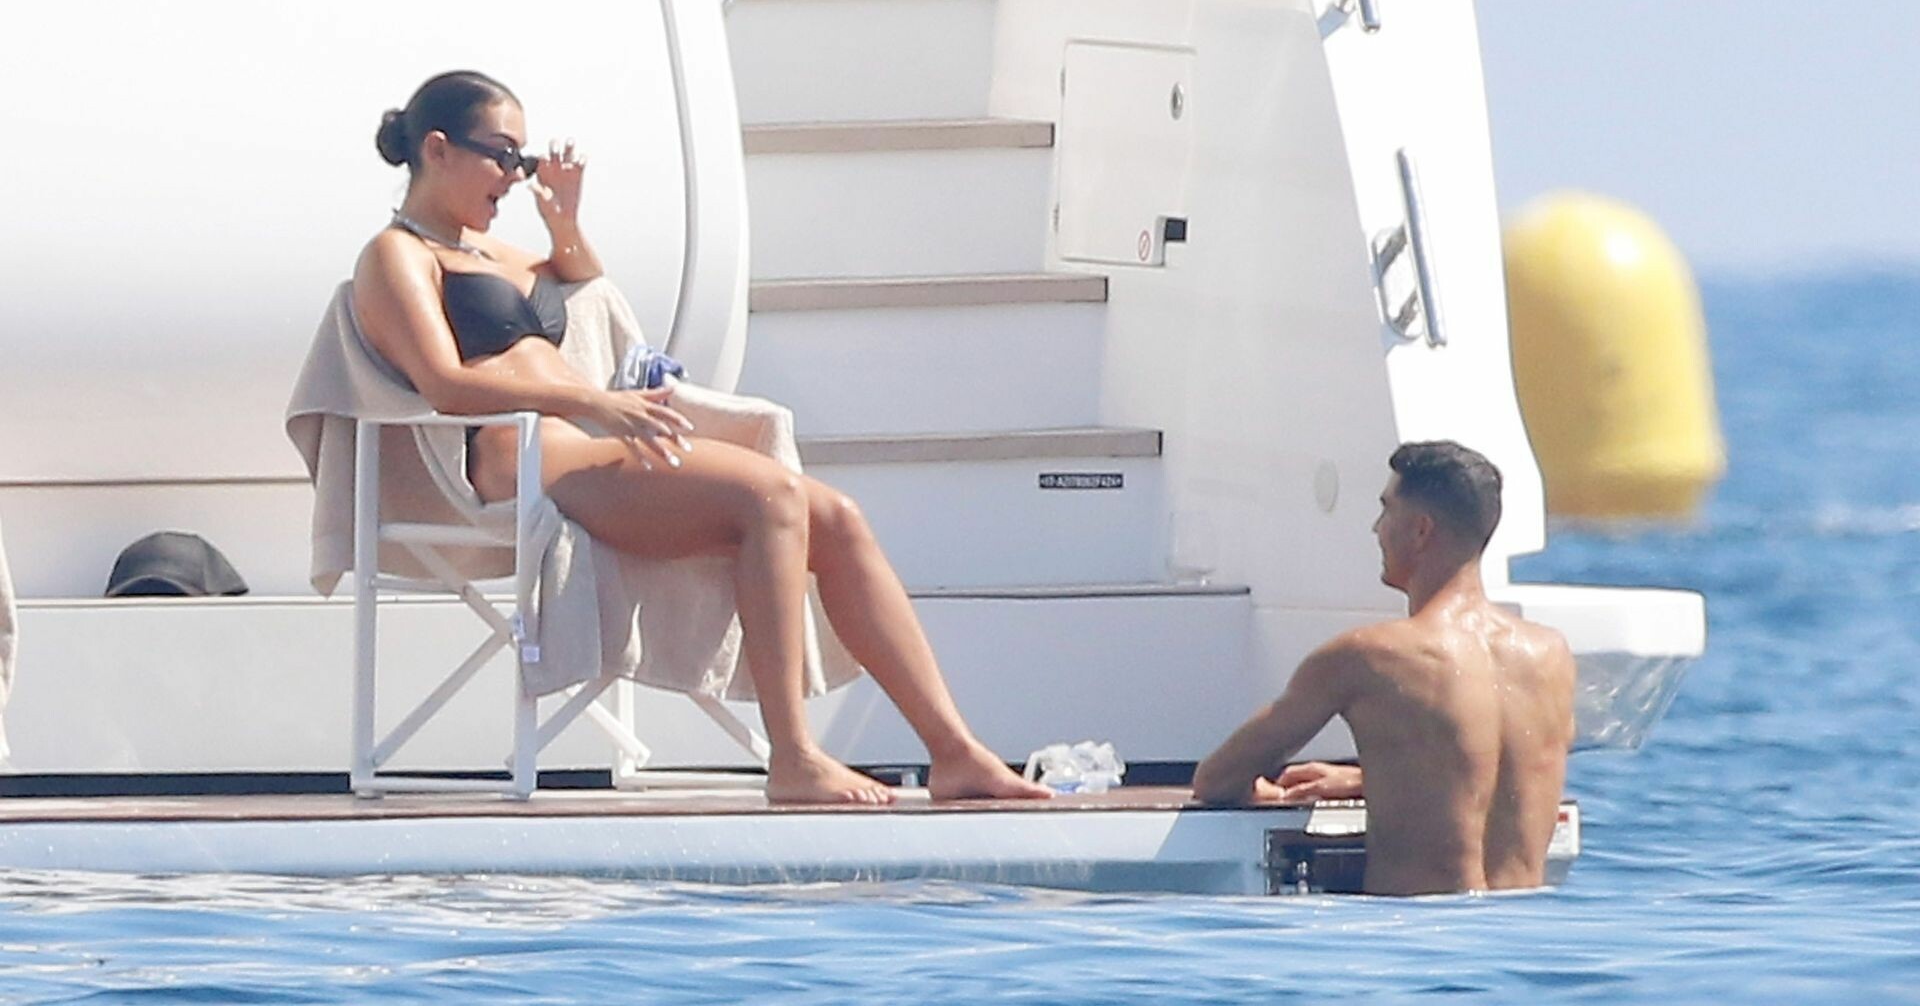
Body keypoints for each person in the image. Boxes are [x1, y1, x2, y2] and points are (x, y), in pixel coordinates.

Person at [352, 69, 1049, 807]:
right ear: (437, 149)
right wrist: (595, 401)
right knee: (769, 498)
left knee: (838, 518)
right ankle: (794, 757)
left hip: (580, 446)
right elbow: (445, 384)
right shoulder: (398, 256)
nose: (515, 176)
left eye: (521, 160)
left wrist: (564, 223)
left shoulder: (497, 255)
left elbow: (584, 288)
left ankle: (955, 752)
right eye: (502, 156)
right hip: (518, 463)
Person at [1192, 441, 1575, 895]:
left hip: (1415, 930)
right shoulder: (1549, 656)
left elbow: (1217, 780)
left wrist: (1272, 794)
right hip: (1523, 926)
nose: (1377, 528)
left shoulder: (1369, 657)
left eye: (1386, 509)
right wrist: (1371, 779)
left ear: (1420, 530)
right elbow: (1491, 775)